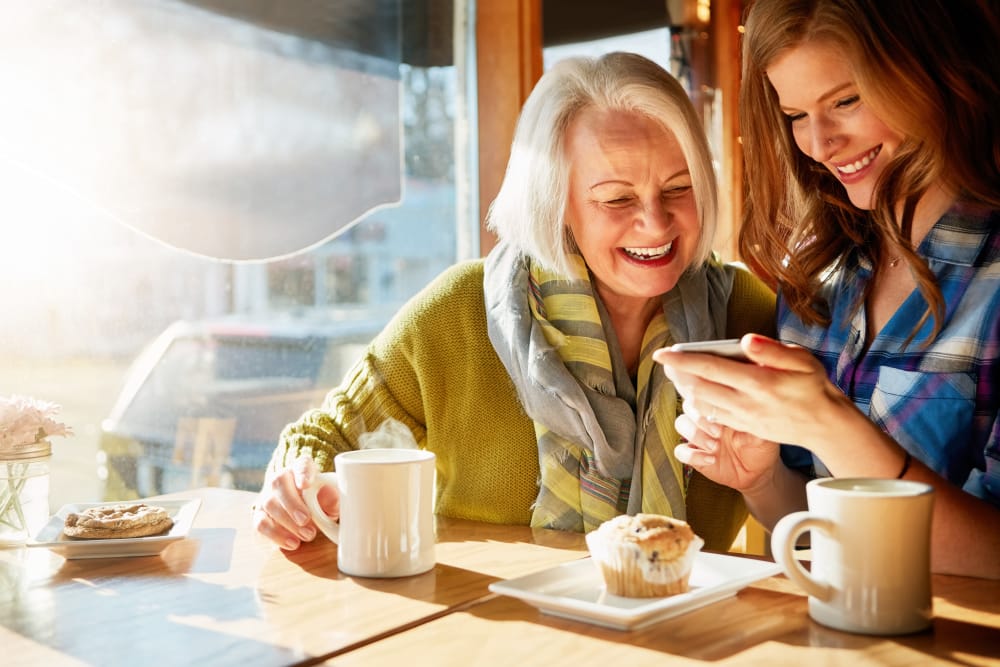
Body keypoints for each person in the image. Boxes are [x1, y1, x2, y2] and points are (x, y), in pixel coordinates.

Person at [252, 51, 776, 552]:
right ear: (556, 202)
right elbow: (327, 436)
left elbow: (809, 491)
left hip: (686, 630)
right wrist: (297, 488)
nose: (656, 223)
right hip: (495, 632)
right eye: (617, 198)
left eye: (679, 188)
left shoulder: (746, 312)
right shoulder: (460, 310)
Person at [654, 0, 1000, 578]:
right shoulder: (819, 279)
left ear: (932, 71)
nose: (819, 143)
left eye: (846, 100)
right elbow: (818, 532)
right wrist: (763, 478)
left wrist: (830, 425)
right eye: (794, 113)